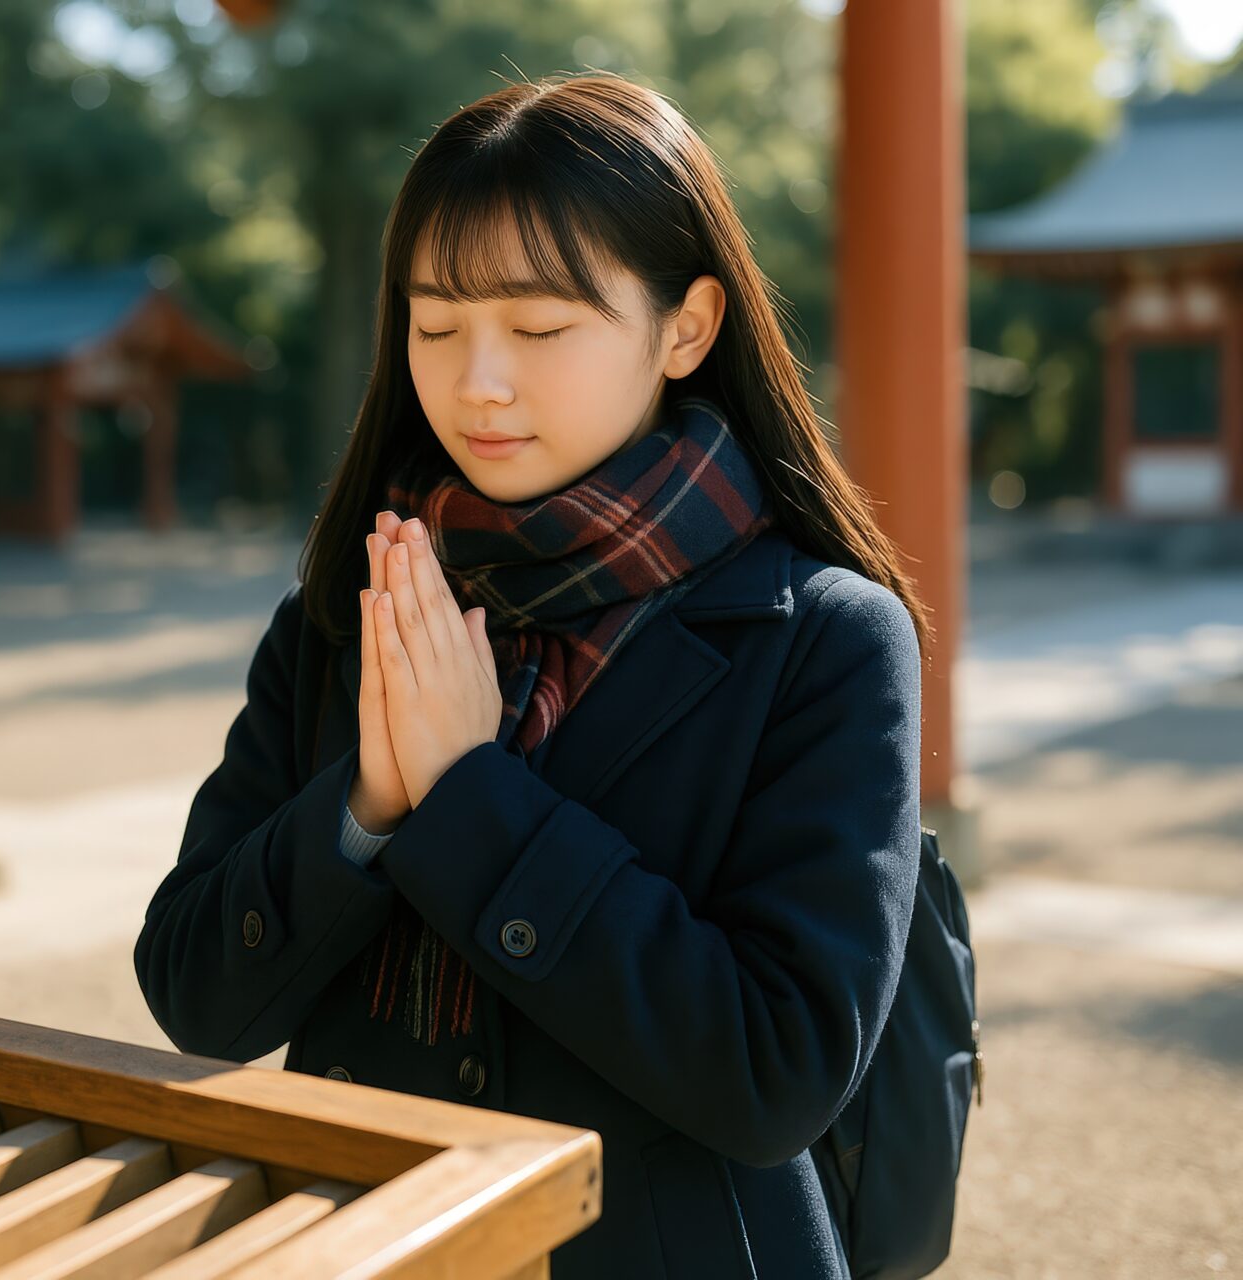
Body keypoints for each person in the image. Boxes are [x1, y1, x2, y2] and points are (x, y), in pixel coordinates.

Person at [134, 70, 929, 1279]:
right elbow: (197, 993)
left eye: (541, 327)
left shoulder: (822, 637)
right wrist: (366, 808)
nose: (476, 382)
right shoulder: (353, 612)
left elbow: (778, 1071)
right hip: (367, 1244)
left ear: (687, 325)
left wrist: (464, 797)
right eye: (436, 326)